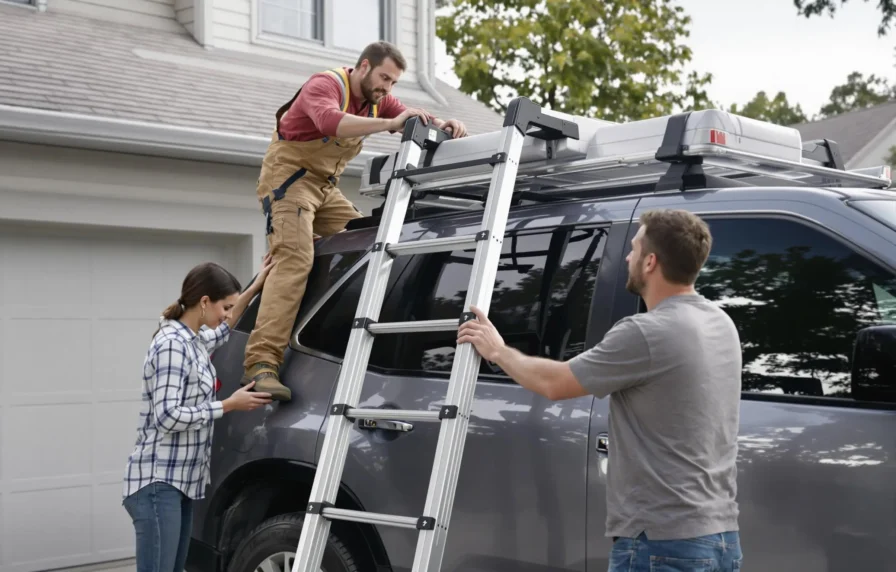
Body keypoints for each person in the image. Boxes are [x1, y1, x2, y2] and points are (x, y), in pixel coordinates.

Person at [456, 209, 744, 571]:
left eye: (635, 248)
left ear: (651, 262)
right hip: (720, 537)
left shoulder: (646, 332)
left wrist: (497, 350)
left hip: (662, 542)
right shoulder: (721, 323)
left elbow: (555, 383)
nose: (627, 256)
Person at [241, 40, 470, 401]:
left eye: (394, 83)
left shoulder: (377, 98)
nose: (388, 88)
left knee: (370, 241)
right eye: (384, 78)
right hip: (289, 182)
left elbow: (412, 117)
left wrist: (446, 124)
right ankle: (262, 363)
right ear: (363, 67)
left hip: (323, 188)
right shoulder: (326, 84)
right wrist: (389, 123)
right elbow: (330, 121)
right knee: (295, 260)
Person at [122, 256, 276, 572]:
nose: (228, 314)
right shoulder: (171, 345)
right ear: (204, 302)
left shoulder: (192, 340)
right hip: (157, 483)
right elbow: (167, 416)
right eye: (225, 307)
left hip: (181, 483)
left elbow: (224, 330)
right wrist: (227, 405)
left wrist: (257, 284)